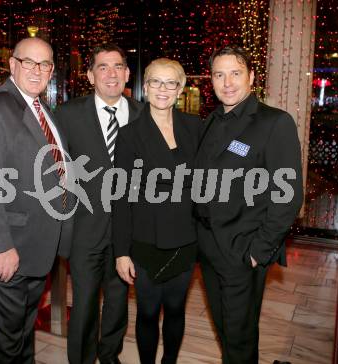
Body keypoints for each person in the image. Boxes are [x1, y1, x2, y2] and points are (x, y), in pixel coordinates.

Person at [0, 37, 74, 363]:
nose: (37, 70)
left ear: (52, 70)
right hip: (8, 251)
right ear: (13, 64)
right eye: (29, 62)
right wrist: (0, 247)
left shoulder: (42, 109)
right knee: (3, 345)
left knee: (23, 337)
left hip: (36, 248)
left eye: (45, 64)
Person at [194, 46, 303, 364]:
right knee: (226, 330)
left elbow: (288, 194)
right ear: (211, 80)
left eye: (235, 73)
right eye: (219, 74)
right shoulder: (210, 122)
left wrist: (259, 250)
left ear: (252, 77)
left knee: (239, 338)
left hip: (242, 249)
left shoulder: (274, 123)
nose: (227, 82)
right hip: (208, 247)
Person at [56, 43, 144, 364]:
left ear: (127, 73)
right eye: (103, 67)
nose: (111, 74)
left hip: (127, 232)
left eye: (117, 66)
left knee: (119, 300)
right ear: (90, 75)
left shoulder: (143, 115)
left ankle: (110, 357)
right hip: (84, 229)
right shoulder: (67, 115)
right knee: (84, 303)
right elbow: (53, 170)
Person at [112, 58, 203, 364]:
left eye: (171, 83)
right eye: (155, 82)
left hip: (186, 239)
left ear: (180, 89)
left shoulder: (196, 127)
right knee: (148, 311)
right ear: (145, 87)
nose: (162, 89)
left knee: (176, 309)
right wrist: (121, 251)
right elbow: (121, 197)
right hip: (146, 240)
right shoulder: (129, 134)